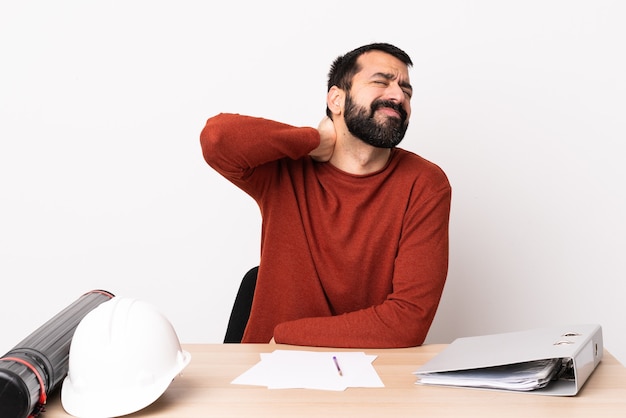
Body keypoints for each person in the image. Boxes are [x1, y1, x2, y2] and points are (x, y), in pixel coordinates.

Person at [200, 42, 451, 348]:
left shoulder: (425, 184)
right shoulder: (285, 170)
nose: (398, 96)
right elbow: (217, 138)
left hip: (371, 374)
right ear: (336, 99)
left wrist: (285, 335)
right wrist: (313, 139)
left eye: (406, 91)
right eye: (381, 82)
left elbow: (408, 321)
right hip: (266, 371)